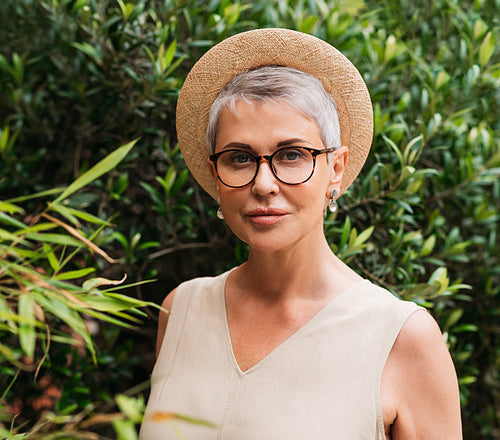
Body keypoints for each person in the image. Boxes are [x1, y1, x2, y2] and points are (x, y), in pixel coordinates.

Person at [139, 28, 462, 439]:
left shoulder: (402, 338)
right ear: (214, 173)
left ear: (336, 168)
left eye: (292, 155)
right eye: (239, 158)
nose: (263, 183)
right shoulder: (181, 310)